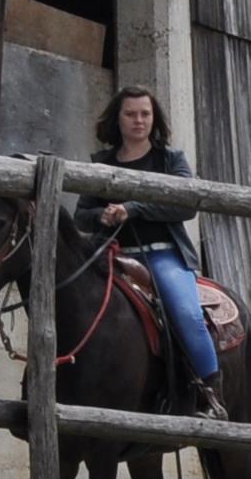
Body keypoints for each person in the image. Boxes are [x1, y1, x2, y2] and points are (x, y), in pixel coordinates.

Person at [89, 87, 218, 387]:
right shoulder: (101, 163)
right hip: (112, 254)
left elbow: (185, 206)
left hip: (163, 255)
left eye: (145, 114)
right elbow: (81, 213)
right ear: (117, 119)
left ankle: (212, 390)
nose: (139, 120)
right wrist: (101, 216)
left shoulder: (171, 160)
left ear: (154, 118)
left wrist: (132, 209)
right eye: (130, 114)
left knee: (187, 315)